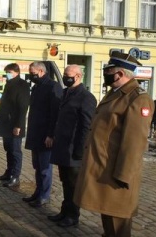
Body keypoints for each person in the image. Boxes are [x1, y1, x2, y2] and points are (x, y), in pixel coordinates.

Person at [74, 52, 154, 237]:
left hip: (117, 172)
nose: (106, 75)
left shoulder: (138, 98)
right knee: (107, 216)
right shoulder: (115, 93)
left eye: (108, 71)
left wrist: (124, 175)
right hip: (103, 166)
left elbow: (135, 142)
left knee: (118, 221)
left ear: (119, 73)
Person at [47, 65, 97, 227]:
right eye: (64, 74)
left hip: (74, 149)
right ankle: (64, 211)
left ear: (78, 76)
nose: (65, 77)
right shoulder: (67, 93)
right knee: (65, 182)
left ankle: (73, 215)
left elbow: (86, 126)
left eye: (68, 75)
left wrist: (79, 150)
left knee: (74, 184)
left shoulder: (86, 97)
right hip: (62, 146)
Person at [23, 61, 63, 208]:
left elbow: (55, 113)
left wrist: (51, 135)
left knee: (45, 168)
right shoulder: (37, 86)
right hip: (35, 133)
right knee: (37, 166)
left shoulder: (53, 87)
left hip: (46, 135)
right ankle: (38, 192)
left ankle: (44, 196)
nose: (30, 75)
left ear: (40, 71)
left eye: (32, 72)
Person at [0, 63, 30, 188]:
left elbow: (23, 106)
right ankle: (8, 172)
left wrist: (18, 125)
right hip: (6, 124)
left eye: (9, 72)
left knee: (15, 151)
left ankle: (15, 176)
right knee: (8, 149)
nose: (7, 75)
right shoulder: (9, 84)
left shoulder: (22, 85)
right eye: (6, 73)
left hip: (15, 124)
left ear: (16, 72)